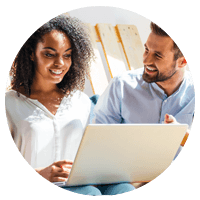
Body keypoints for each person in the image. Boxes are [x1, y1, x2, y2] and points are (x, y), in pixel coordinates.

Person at [5, 14, 135, 195]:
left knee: (125, 188)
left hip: (83, 180)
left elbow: (95, 151)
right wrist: (41, 173)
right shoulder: (10, 104)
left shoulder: (80, 101)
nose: (60, 63)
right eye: (49, 54)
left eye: (67, 55)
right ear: (31, 54)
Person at [94, 22, 195, 154]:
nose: (146, 60)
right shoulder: (121, 86)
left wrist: (183, 137)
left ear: (182, 62)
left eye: (157, 55)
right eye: (146, 49)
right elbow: (98, 142)